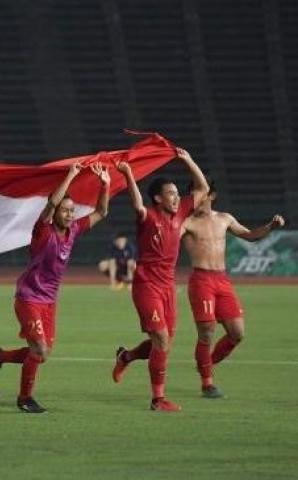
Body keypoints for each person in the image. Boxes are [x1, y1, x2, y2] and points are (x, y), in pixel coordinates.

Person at [0, 162, 111, 413]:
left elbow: (101, 212)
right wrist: (71, 175)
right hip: (29, 298)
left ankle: (1, 356)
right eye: (65, 210)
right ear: (55, 214)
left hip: (49, 302)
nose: (70, 214)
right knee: (39, 349)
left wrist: (105, 184)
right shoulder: (43, 231)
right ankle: (24, 398)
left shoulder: (73, 230)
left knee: (41, 354)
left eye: (72, 211)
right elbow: (51, 204)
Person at [111, 148, 209, 412]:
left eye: (178, 194)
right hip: (146, 286)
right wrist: (129, 173)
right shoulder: (149, 216)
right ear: (158, 198)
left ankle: (127, 356)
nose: (177, 198)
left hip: (168, 288)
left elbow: (203, 187)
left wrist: (188, 159)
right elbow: (137, 204)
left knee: (161, 344)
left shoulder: (180, 214)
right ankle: (158, 399)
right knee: (162, 340)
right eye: (171, 193)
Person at [182, 179, 285, 398]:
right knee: (207, 332)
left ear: (212, 195)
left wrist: (271, 227)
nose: (195, 197)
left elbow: (250, 236)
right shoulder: (187, 222)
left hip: (222, 280)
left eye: (200, 192)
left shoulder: (224, 219)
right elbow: (167, 239)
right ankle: (207, 383)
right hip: (201, 280)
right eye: (192, 192)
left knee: (237, 334)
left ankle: (206, 364)